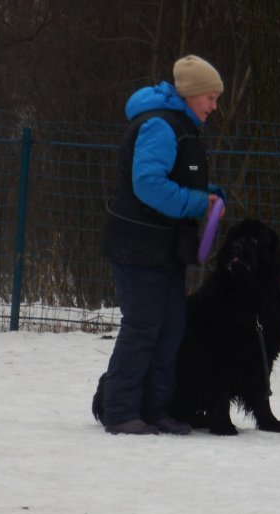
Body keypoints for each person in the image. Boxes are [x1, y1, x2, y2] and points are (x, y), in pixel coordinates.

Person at [100, 55, 226, 435]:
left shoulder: (181, 126)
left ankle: (155, 409)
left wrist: (206, 194)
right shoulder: (159, 125)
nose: (214, 107)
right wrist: (196, 204)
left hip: (164, 248)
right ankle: (120, 411)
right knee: (143, 328)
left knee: (170, 328)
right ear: (191, 94)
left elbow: (173, 178)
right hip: (138, 245)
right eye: (210, 97)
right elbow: (148, 184)